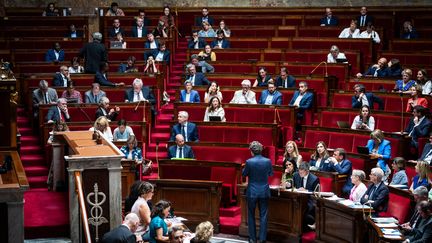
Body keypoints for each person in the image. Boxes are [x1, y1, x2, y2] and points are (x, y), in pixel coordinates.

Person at [242, 141, 273, 243]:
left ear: (252, 151)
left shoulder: (249, 162)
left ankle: (252, 239)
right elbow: (270, 174)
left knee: (251, 215)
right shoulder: (268, 161)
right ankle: (263, 239)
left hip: (252, 192)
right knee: (263, 215)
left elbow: (244, 173)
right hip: (264, 191)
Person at [293, 162, 320, 230]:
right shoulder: (296, 175)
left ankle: (303, 227)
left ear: (307, 171)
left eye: (302, 171)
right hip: (298, 198)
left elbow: (316, 193)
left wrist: (306, 190)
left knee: (302, 209)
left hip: (309, 200)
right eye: (299, 170)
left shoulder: (314, 179)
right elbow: (293, 187)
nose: (300, 172)